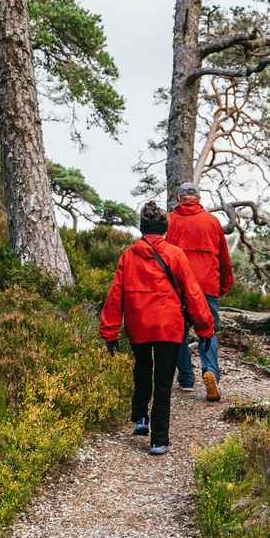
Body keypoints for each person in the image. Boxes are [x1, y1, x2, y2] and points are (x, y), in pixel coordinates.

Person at [99, 201, 215, 455]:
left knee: (142, 369)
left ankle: (140, 417)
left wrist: (110, 331)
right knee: (163, 383)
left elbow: (115, 295)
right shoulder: (175, 254)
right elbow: (193, 293)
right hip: (169, 326)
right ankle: (159, 440)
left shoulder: (128, 255)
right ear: (165, 228)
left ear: (142, 227)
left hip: (139, 323)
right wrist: (205, 328)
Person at [167, 182, 234, 402]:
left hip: (177, 288)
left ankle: (186, 380)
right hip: (207, 288)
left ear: (179, 198)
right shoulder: (212, 222)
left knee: (179, 333)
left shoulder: (169, 222)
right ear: (198, 199)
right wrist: (223, 286)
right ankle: (210, 373)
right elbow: (224, 260)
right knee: (208, 331)